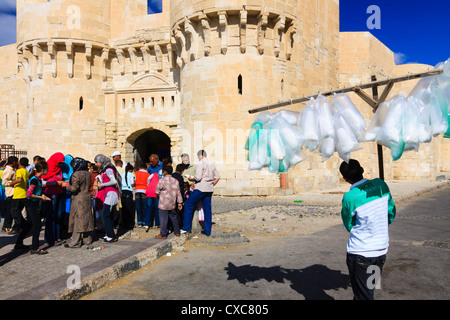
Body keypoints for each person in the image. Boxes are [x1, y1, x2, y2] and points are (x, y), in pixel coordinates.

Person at [339, 159, 396, 300]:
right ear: (362, 170)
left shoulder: (349, 197)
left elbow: (349, 225)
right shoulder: (381, 184)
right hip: (381, 250)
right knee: (370, 289)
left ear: (345, 179)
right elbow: (391, 212)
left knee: (363, 296)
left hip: (360, 253)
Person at [181, 150, 220, 236]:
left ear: (200, 156)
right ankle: (207, 230)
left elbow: (198, 178)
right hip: (209, 189)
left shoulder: (200, 164)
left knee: (188, 204)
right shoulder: (211, 164)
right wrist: (211, 184)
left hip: (201, 188)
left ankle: (186, 227)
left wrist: (190, 178)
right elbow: (217, 177)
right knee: (207, 209)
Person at [63, 158, 94, 248]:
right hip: (87, 197)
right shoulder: (88, 174)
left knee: (78, 220)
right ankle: (87, 240)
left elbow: (74, 188)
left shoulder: (76, 175)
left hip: (78, 199)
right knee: (86, 219)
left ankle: (75, 242)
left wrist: (66, 185)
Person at [23, 161, 52, 254]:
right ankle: (35, 248)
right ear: (43, 170)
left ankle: (19, 242)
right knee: (37, 225)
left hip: (34, 204)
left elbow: (37, 191)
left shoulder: (38, 179)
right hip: (31, 204)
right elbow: (29, 194)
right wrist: (41, 197)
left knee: (29, 224)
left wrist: (42, 195)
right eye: (47, 169)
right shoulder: (35, 179)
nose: (48, 171)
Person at [42, 152, 66, 246]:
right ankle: (50, 238)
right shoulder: (48, 167)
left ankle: (57, 236)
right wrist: (56, 183)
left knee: (58, 215)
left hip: (59, 193)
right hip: (50, 194)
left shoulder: (59, 169)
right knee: (51, 216)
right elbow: (43, 182)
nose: (60, 165)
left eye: (61, 163)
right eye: (59, 163)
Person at [94, 154, 120, 243]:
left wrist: (102, 185)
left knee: (105, 214)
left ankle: (111, 235)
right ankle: (109, 234)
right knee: (107, 214)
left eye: (97, 162)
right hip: (108, 194)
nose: (96, 164)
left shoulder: (109, 169)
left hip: (111, 193)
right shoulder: (106, 169)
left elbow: (113, 181)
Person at [154, 165, 183, 239]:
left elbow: (157, 191)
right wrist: (180, 203)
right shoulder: (175, 181)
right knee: (174, 218)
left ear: (165, 172)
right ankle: (177, 232)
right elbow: (178, 193)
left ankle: (163, 234)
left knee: (163, 220)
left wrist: (159, 196)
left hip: (163, 203)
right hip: (172, 203)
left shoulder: (162, 180)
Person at [9, 157, 30, 236]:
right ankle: (18, 227)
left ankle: (24, 225)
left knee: (14, 211)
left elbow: (19, 179)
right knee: (19, 211)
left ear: (19, 163)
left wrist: (12, 183)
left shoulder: (19, 171)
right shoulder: (26, 171)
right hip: (24, 193)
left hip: (18, 194)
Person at [1, 156, 18, 233]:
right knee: (10, 210)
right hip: (10, 192)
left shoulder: (12, 170)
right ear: (14, 162)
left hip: (13, 192)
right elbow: (4, 182)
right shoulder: (8, 171)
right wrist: (14, 183)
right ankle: (6, 226)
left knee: (12, 210)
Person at [120, 162, 136, 231]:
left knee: (124, 207)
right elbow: (133, 183)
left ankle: (124, 223)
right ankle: (130, 223)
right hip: (128, 191)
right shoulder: (131, 174)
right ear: (131, 170)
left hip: (122, 191)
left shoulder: (122, 175)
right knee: (130, 208)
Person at [134, 162, 150, 228]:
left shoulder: (135, 173)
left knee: (138, 207)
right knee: (144, 206)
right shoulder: (148, 174)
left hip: (137, 190)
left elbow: (133, 182)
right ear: (146, 168)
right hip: (144, 190)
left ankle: (139, 222)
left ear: (139, 167)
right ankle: (144, 221)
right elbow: (148, 183)